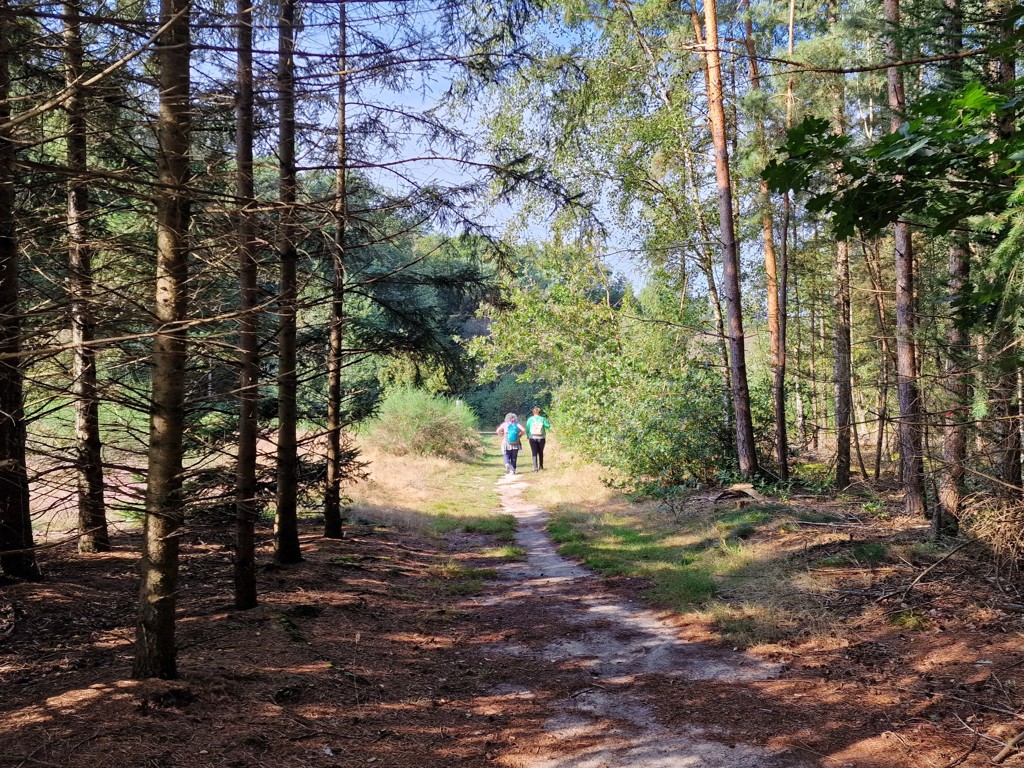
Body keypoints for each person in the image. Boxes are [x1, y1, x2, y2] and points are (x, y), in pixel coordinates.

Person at [525, 406, 551, 472]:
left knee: (534, 452)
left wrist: (528, 436)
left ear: (533, 412)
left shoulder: (530, 419)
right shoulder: (543, 419)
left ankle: (535, 468)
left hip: (532, 438)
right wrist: (548, 421)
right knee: (540, 452)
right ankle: (541, 467)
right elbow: (548, 426)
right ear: (540, 412)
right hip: (541, 438)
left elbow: (527, 429)